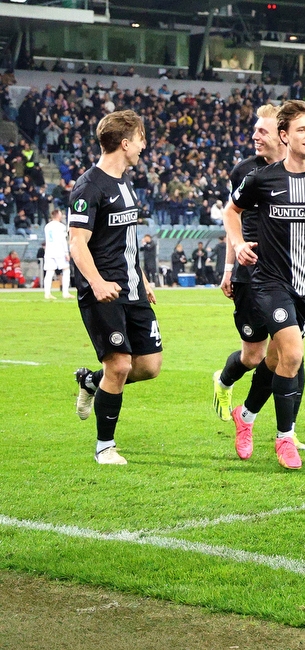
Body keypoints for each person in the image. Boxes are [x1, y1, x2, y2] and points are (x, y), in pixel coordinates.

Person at [224, 99, 305, 470]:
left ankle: (245, 417)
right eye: (302, 130)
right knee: (293, 355)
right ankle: (285, 438)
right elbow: (231, 211)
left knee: (277, 358)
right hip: (269, 281)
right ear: (285, 135)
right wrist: (237, 245)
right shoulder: (264, 179)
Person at [68, 109, 162, 465]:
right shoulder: (89, 186)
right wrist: (97, 282)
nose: (143, 145)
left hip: (133, 290)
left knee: (150, 366)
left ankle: (91, 382)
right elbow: (77, 242)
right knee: (120, 365)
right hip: (101, 292)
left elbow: (127, 241)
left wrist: (145, 280)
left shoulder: (126, 184)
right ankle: (104, 446)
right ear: (125, 143)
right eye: (140, 139)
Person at [212, 104, 297, 448]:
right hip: (250, 272)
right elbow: (233, 218)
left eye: (261, 131)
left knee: (290, 352)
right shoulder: (244, 171)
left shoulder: (300, 172)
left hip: (287, 275)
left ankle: (286, 430)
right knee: (254, 356)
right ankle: (225, 379)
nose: (254, 137)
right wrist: (229, 268)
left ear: (280, 135)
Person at [43, 208, 71, 299]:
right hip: (59, 251)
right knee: (66, 270)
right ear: (58, 215)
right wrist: (66, 252)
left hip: (49, 251)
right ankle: (65, 292)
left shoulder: (47, 226)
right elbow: (63, 240)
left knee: (49, 272)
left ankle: (47, 293)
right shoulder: (61, 226)